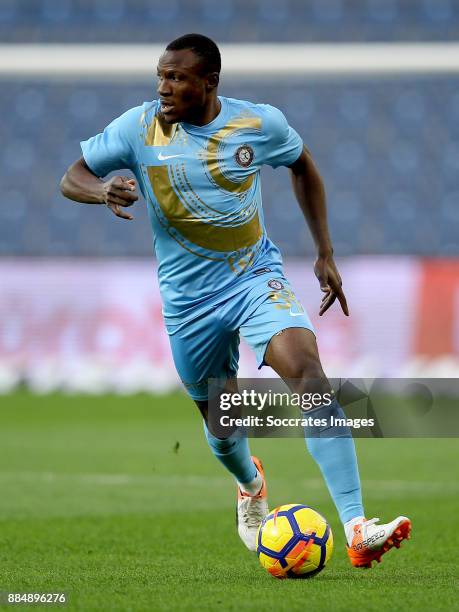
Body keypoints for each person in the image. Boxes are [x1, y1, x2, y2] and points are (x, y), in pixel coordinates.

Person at [60, 33, 411, 569]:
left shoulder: (257, 124)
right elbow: (73, 175)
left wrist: (324, 252)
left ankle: (358, 527)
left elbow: (303, 166)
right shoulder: (138, 127)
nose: (164, 87)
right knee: (220, 420)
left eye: (177, 78)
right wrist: (100, 191)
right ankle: (250, 485)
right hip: (188, 302)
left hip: (253, 278)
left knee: (308, 375)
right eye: (161, 76)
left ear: (209, 83)